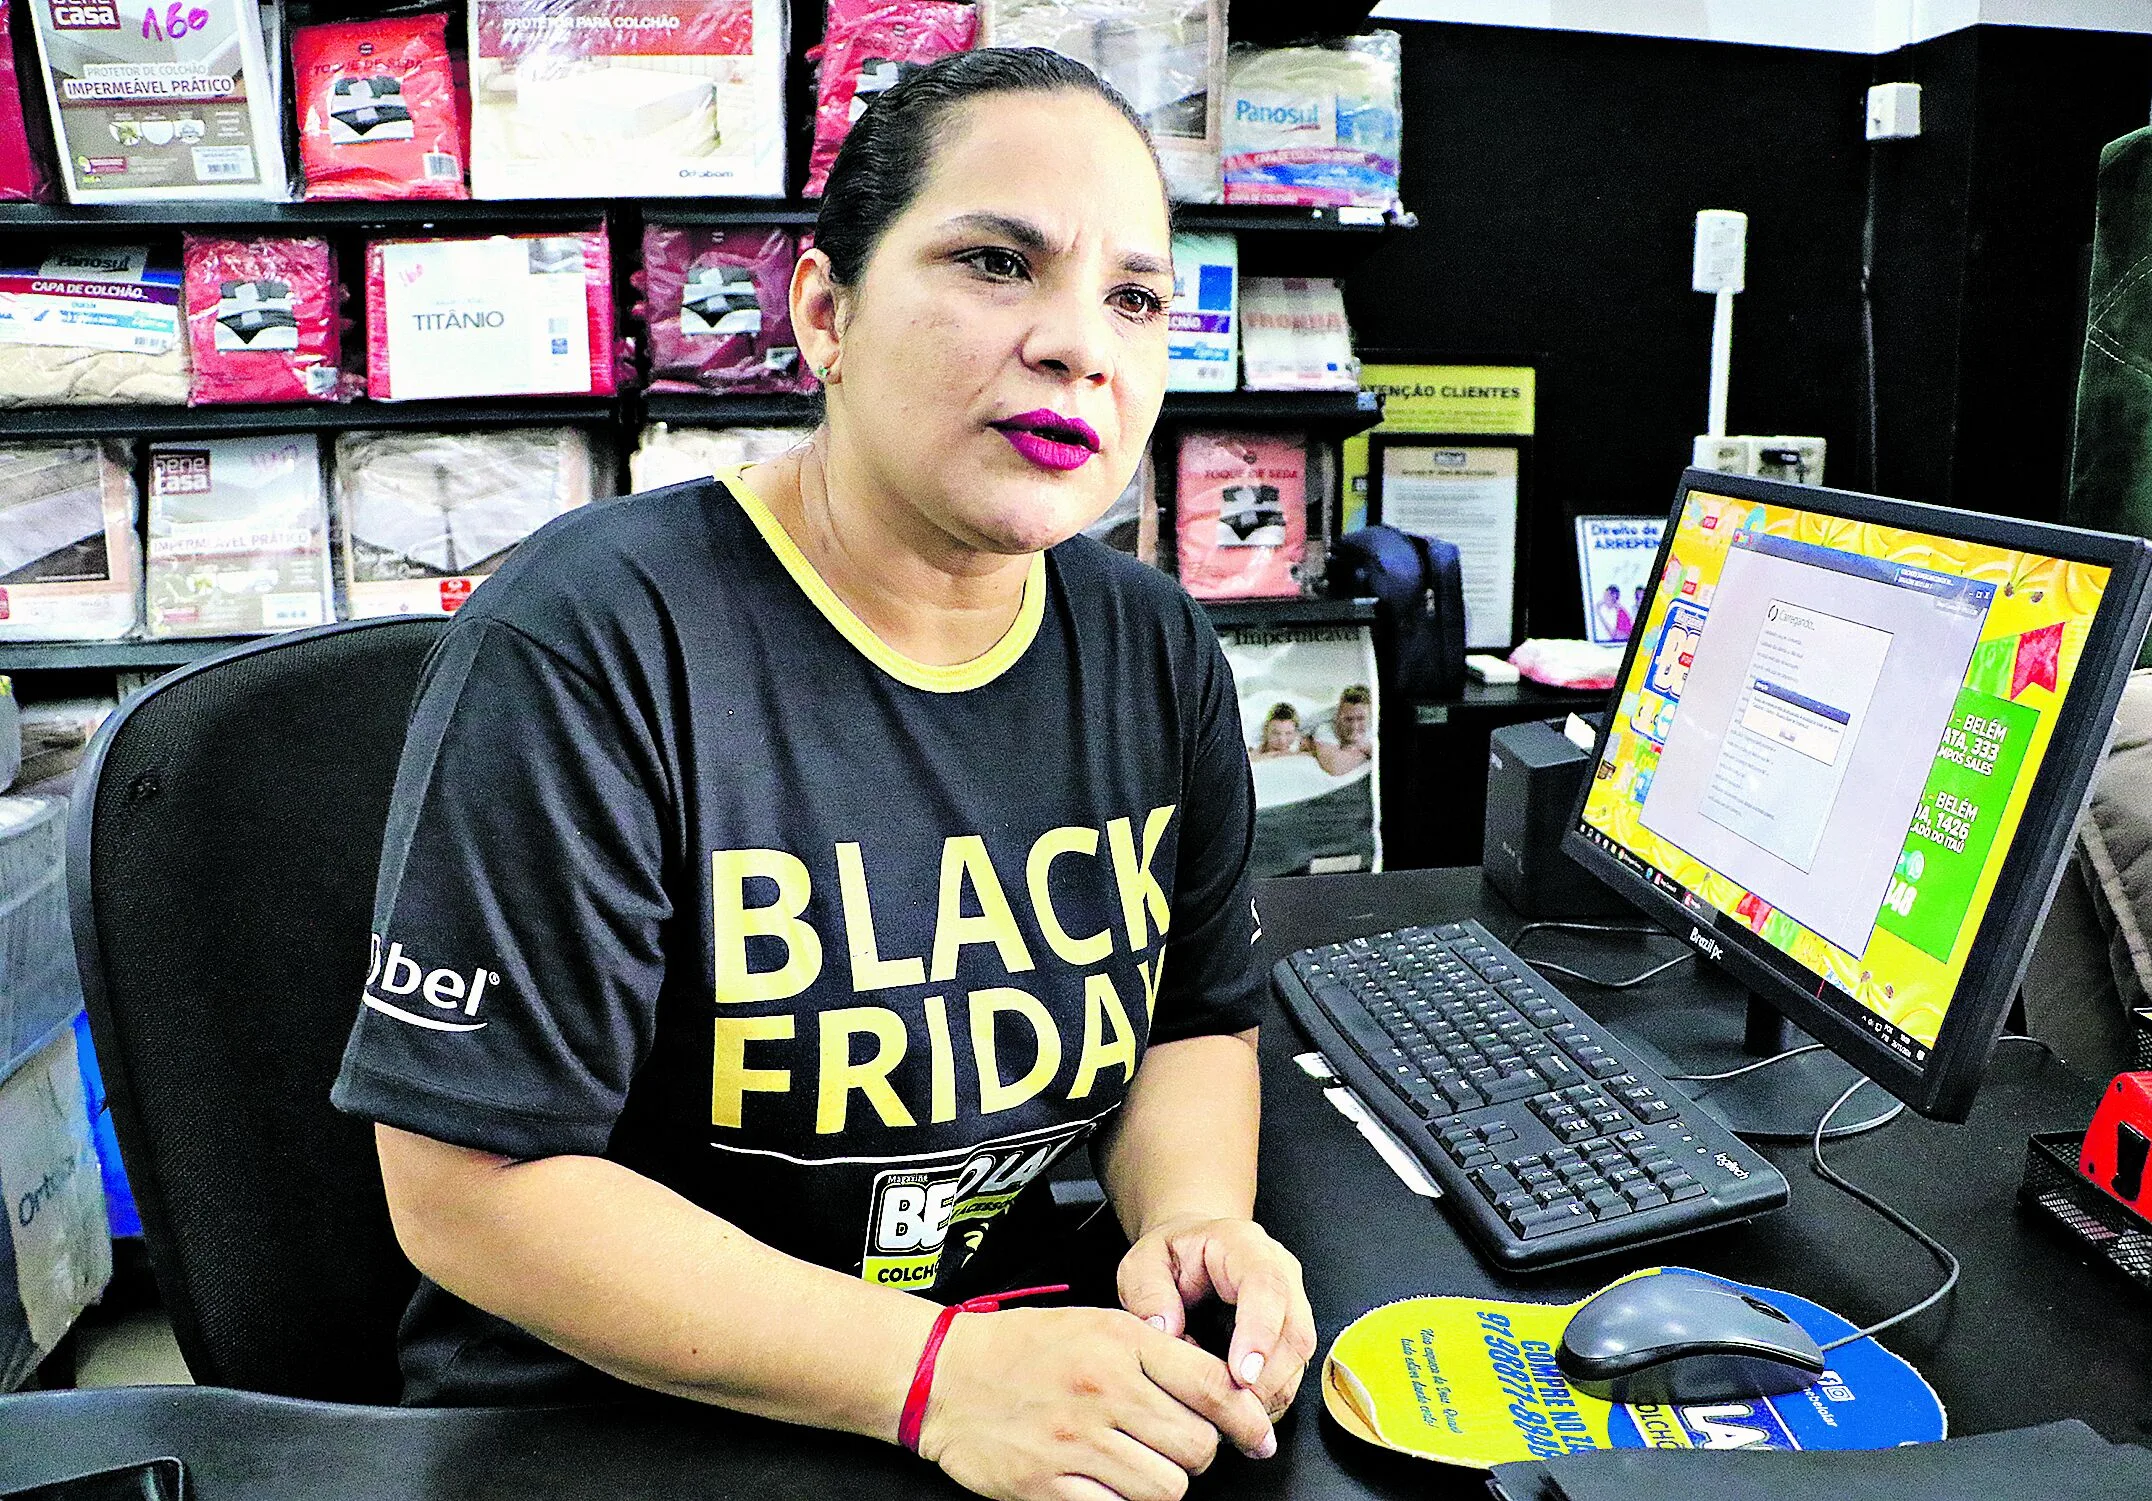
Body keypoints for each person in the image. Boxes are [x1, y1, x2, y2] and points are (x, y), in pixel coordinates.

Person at [332, 49, 1314, 1501]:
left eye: (1134, 298)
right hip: (627, 1419)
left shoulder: (1152, 642)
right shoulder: (593, 636)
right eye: (996, 262)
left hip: (1004, 1368)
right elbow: (469, 1193)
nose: (1077, 347)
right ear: (822, 310)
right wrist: (925, 1379)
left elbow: (1194, 1024)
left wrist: (1189, 1213)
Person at [1306, 685, 1373, 776]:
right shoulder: (1325, 728)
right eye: (1348, 719)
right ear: (1338, 716)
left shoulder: (1374, 724)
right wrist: (1363, 749)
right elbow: (1334, 767)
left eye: (1361, 719)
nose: (1354, 726)